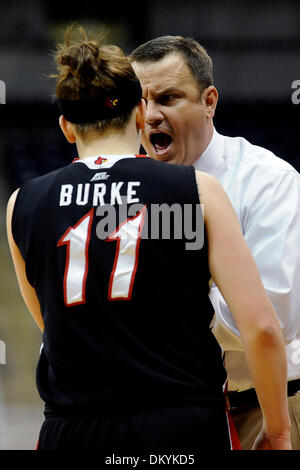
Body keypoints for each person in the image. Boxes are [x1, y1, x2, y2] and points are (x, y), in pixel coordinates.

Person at [6, 26, 291, 452]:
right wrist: (278, 432)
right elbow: (264, 329)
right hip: (179, 421)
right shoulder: (196, 189)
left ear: (66, 127)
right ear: (139, 114)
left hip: (72, 427)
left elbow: (54, 324)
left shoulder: (20, 202)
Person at [130, 35, 300, 450]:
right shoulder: (122, 189)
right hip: (169, 412)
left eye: (168, 98)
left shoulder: (268, 182)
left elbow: (273, 317)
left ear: (209, 102)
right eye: (139, 101)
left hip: (268, 408)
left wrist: (161, 306)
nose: (151, 115)